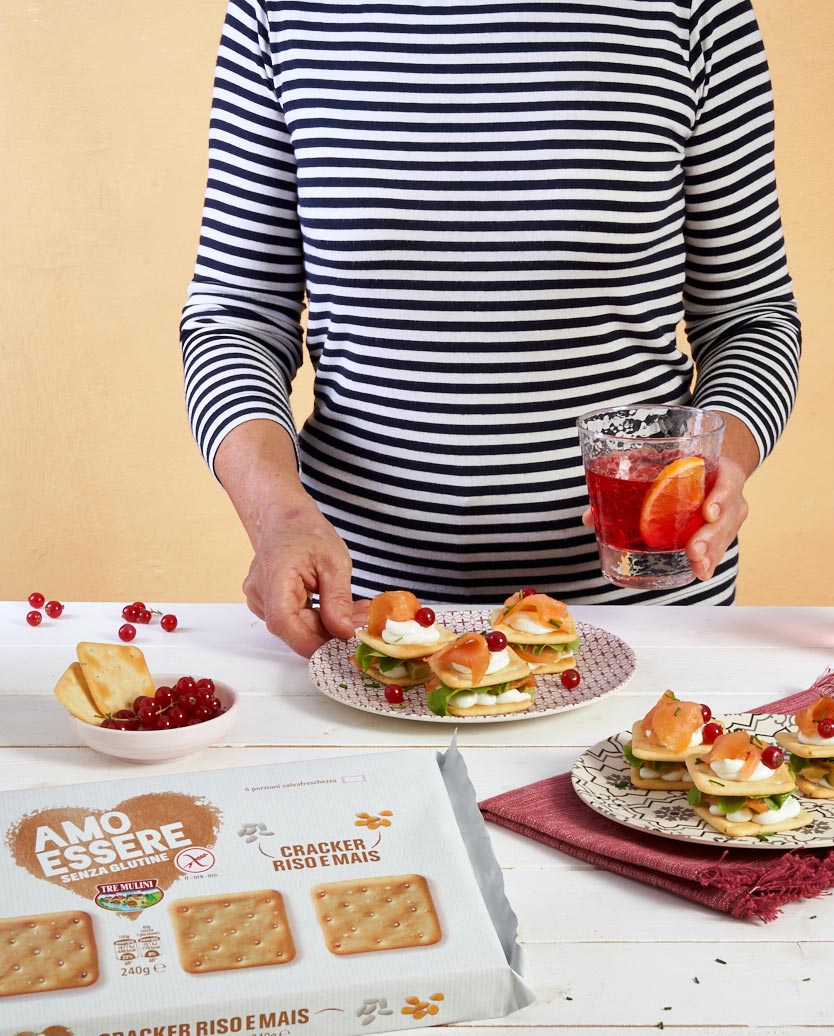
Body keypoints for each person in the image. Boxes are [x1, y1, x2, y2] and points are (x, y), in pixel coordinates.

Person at [181, 0, 802, 658]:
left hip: (640, 608)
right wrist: (276, 514)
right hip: (365, 610)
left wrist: (720, 467)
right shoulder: (278, 11)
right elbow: (236, 315)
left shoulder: (692, 11)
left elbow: (751, 316)